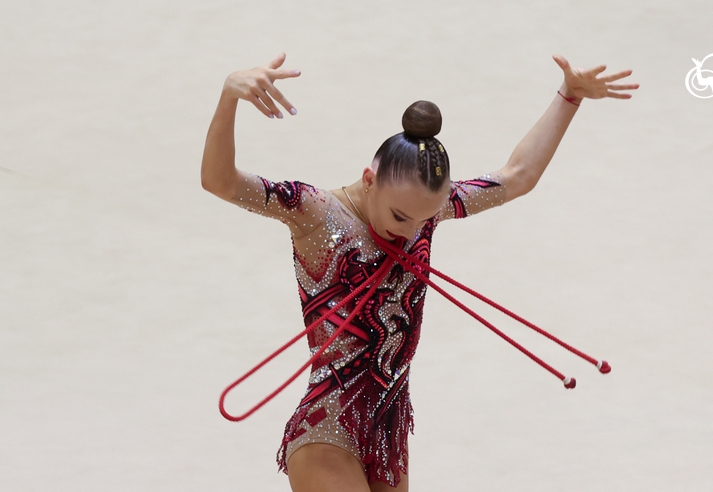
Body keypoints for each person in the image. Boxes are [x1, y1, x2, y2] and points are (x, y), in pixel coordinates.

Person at [201, 52, 638, 492]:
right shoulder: (316, 212)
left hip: (388, 431)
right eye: (399, 215)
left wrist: (569, 97)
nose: (410, 231)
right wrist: (228, 97)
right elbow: (220, 181)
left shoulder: (424, 213)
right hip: (327, 429)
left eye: (423, 218)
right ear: (369, 179)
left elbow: (518, 176)